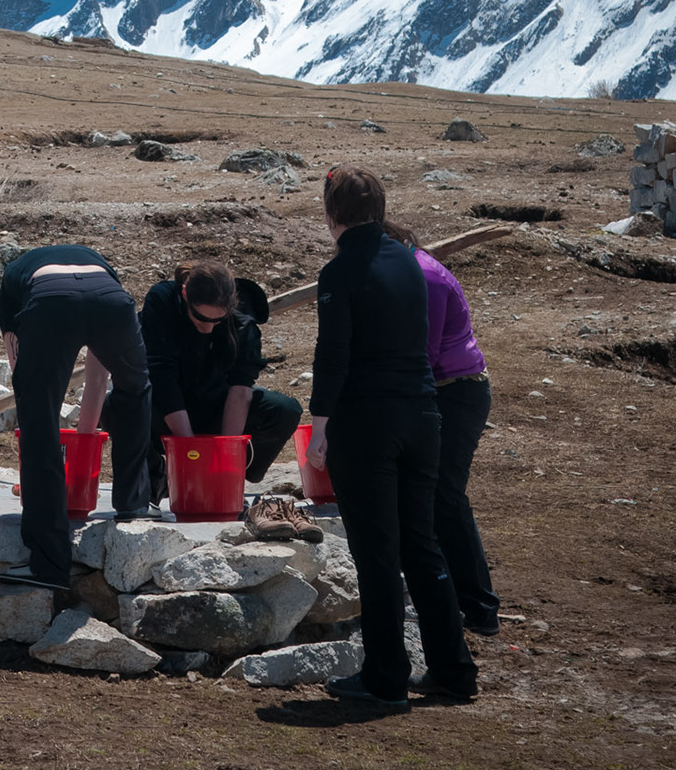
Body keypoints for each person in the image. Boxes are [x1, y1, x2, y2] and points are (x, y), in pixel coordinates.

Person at [307, 166, 477, 707]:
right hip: (422, 413)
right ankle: (454, 668)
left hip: (368, 420)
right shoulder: (410, 261)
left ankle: (385, 675)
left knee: (377, 552)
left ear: (332, 215)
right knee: (422, 545)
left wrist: (320, 426)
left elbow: (333, 356)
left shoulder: (340, 272)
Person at [0, 244, 154, 589]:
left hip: (50, 301)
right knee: (136, 389)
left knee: (38, 423)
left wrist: (43, 413)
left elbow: (19, 367)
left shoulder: (12, 283)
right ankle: (133, 504)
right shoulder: (97, 261)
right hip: (110, 298)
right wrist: (85, 434)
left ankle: (49, 564)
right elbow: (102, 370)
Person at [138, 261, 314, 539]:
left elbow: (241, 389)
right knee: (118, 406)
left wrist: (223, 468)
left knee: (285, 410)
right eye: (200, 318)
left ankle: (232, 480)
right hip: (169, 407)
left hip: (218, 406)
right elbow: (161, 379)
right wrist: (189, 455)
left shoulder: (243, 317)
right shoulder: (162, 301)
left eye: (217, 321)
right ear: (185, 296)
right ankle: (157, 477)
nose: (208, 328)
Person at [385, 220, 499, 636]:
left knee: (445, 497)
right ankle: (445, 594)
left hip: (457, 392)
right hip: (441, 389)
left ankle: (480, 606)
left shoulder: (425, 277)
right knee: (427, 495)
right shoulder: (410, 269)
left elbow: (423, 352)